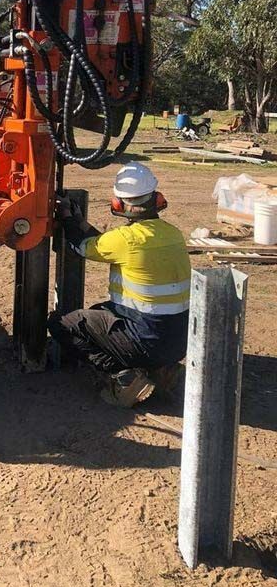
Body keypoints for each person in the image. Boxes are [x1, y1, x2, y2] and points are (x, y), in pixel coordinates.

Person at [48, 162, 191, 407]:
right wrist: (80, 221)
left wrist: (67, 218)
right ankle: (162, 371)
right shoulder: (173, 233)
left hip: (145, 339)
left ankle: (124, 377)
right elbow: (102, 242)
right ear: (156, 199)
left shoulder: (125, 239)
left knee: (61, 324)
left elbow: (82, 245)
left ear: (119, 204)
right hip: (180, 341)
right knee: (97, 311)